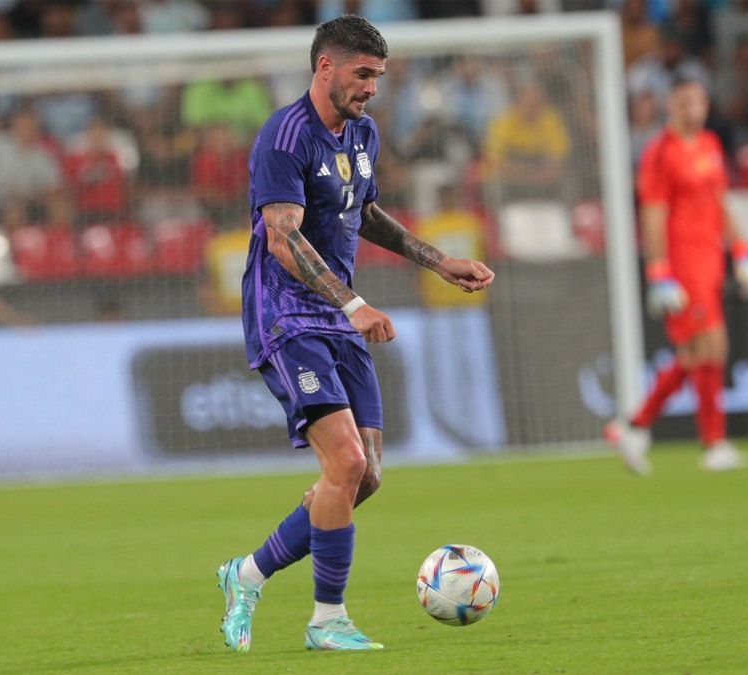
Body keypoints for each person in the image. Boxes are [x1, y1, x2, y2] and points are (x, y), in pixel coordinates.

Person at [217, 15, 494, 653]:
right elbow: (282, 238)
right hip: (288, 315)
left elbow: (361, 211)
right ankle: (327, 620)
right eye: (362, 74)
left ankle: (247, 574)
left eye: (378, 77)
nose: (371, 87)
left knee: (363, 477)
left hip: (337, 315)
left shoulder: (363, 132)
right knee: (343, 462)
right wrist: (355, 304)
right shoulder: (284, 137)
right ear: (325, 67)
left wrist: (437, 261)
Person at [604, 78, 748, 475]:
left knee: (698, 353)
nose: (694, 109)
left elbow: (720, 200)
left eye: (699, 101)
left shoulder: (710, 143)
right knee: (710, 346)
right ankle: (712, 444)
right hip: (683, 262)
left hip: (710, 259)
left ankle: (633, 425)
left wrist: (741, 248)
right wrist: (658, 270)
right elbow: (653, 213)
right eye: (685, 102)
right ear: (671, 107)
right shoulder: (661, 151)